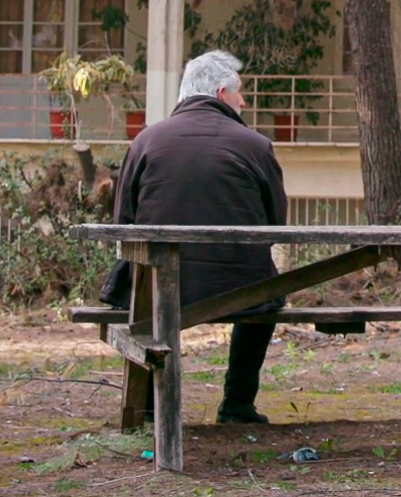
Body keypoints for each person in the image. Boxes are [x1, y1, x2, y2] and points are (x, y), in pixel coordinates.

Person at [105, 49, 286, 425]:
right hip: (241, 286)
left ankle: (147, 408)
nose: (243, 101)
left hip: (157, 287)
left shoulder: (145, 141)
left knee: (143, 297)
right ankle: (237, 404)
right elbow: (275, 224)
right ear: (221, 94)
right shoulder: (256, 145)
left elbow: (124, 221)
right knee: (268, 293)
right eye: (239, 92)